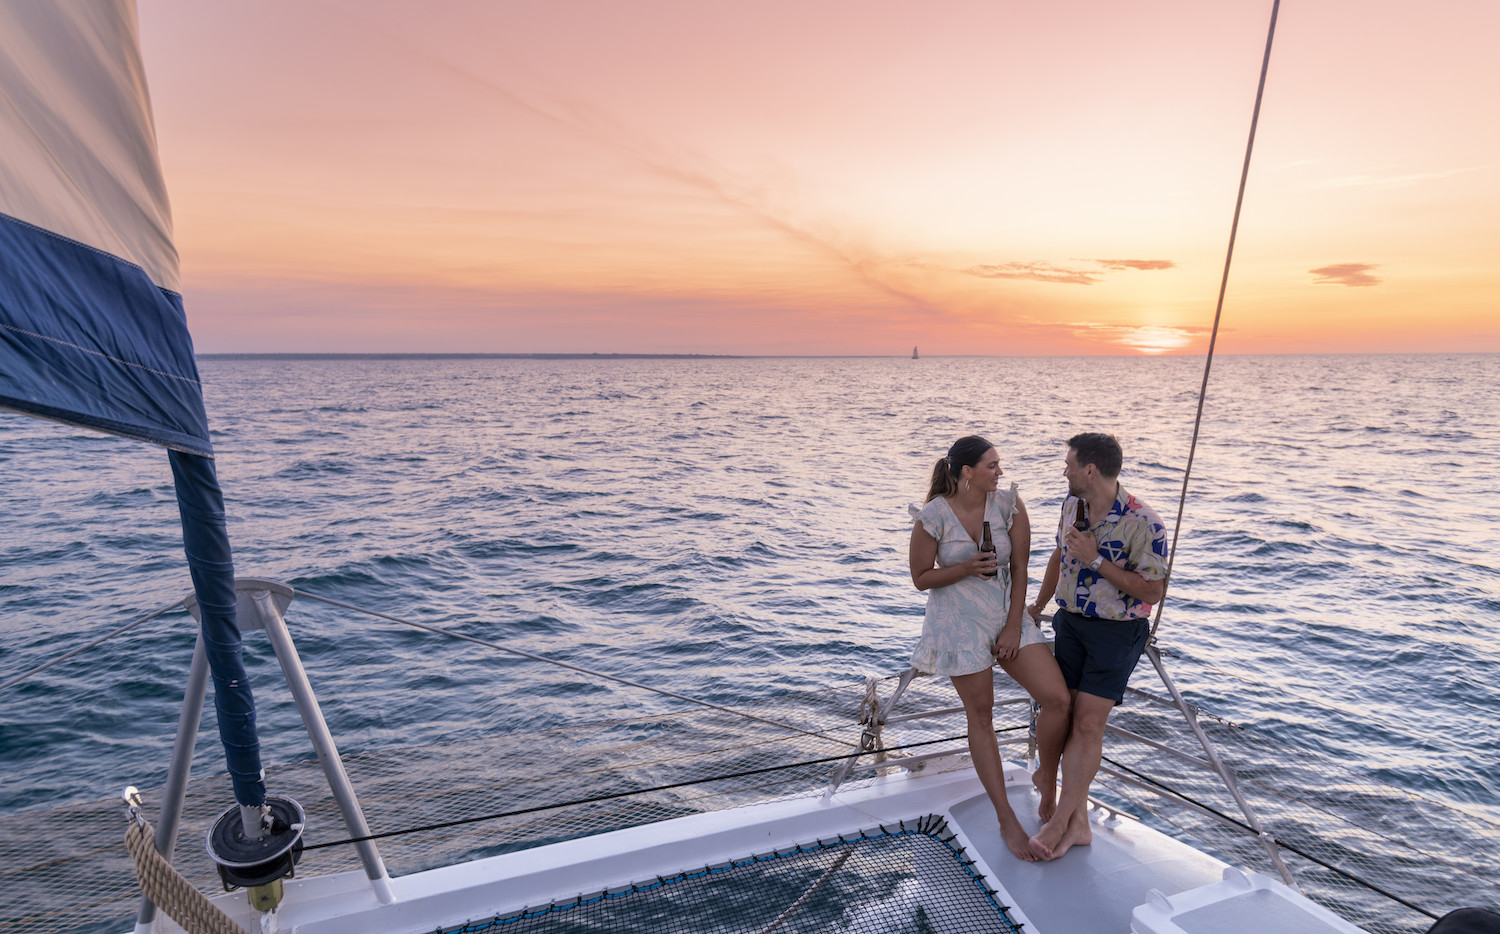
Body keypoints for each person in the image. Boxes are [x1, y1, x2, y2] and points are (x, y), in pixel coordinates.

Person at [909, 435, 1073, 862]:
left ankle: (1046, 777)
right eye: (991, 465)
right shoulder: (933, 516)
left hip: (1006, 616)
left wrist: (1015, 627)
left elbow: (1020, 569)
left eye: (998, 464)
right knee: (981, 716)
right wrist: (963, 568)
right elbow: (921, 578)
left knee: (1057, 699)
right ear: (967, 472)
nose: (1000, 471)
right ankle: (1006, 819)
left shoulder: (1009, 506)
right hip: (957, 624)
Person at [1026, 432, 1169, 860]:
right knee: (1063, 712)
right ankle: (1078, 823)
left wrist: (1095, 560)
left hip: (1117, 631)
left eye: (1068, 463)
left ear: (1090, 470)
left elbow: (1153, 590)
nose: (1063, 470)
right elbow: (1057, 557)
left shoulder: (1145, 522)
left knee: (1088, 724)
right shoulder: (1072, 505)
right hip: (1070, 624)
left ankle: (1059, 824)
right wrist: (1037, 606)